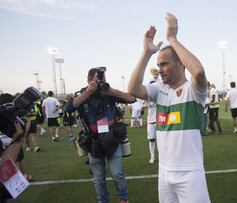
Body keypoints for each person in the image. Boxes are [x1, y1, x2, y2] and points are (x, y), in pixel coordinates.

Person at [128, 13, 211, 202]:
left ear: (180, 64)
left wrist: (172, 39)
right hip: (164, 173)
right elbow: (132, 89)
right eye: (158, 65)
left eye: (164, 64)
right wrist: (147, 53)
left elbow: (198, 71)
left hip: (190, 173)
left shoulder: (194, 91)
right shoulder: (159, 89)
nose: (160, 69)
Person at [67, 67, 135, 203]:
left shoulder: (108, 93)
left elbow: (132, 99)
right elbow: (68, 108)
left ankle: (123, 199)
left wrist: (112, 91)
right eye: (98, 80)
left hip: (112, 138)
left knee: (117, 173)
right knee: (98, 178)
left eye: (103, 79)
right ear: (89, 80)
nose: (101, 83)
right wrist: (87, 92)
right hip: (93, 141)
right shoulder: (82, 94)